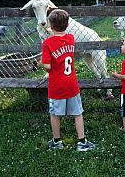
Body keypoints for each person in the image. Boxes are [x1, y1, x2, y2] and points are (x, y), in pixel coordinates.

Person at [42, 9, 95, 151]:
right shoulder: (71, 38)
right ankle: (82, 141)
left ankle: (57, 141)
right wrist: (54, 30)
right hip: (72, 84)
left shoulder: (47, 43)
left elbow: (47, 67)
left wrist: (46, 64)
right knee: (78, 113)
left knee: (55, 114)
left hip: (56, 86)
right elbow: (60, 36)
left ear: (51, 26)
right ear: (67, 25)